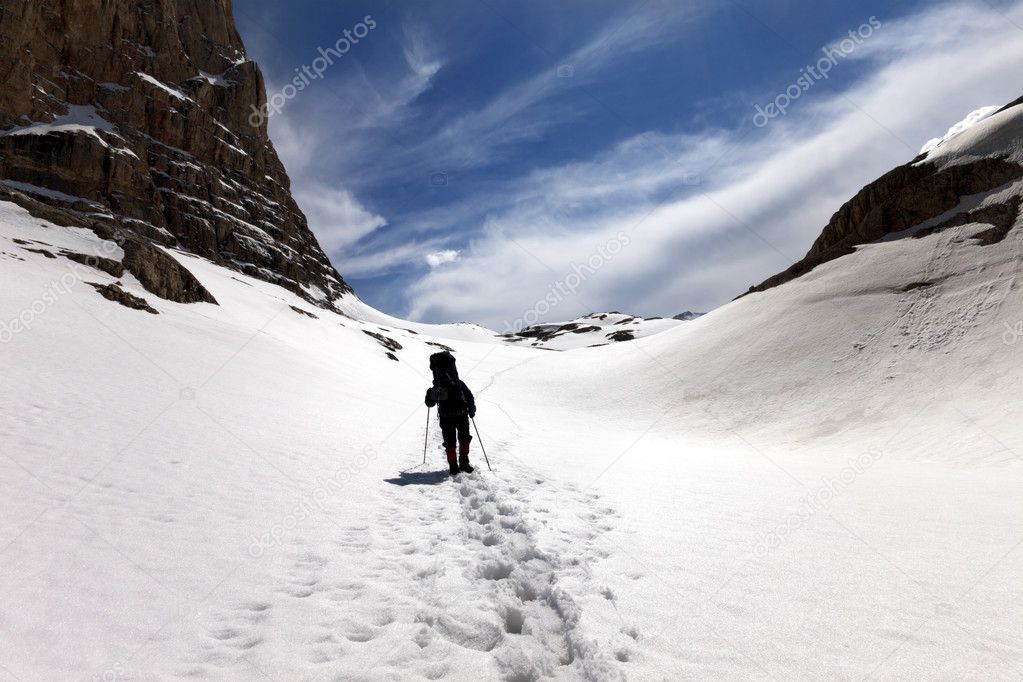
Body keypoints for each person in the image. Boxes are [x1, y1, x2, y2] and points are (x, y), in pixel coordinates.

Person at [424, 351, 476, 476]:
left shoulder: (438, 387)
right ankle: (464, 463)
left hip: (446, 417)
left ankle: (453, 466)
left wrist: (431, 393)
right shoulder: (458, 383)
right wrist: (471, 409)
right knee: (464, 438)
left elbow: (429, 404)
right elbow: (469, 396)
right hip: (462, 415)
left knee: (450, 442)